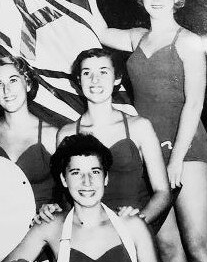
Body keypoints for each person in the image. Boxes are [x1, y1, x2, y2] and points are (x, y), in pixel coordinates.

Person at [91, 0, 207, 262]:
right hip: (150, 149)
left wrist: (176, 160)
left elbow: (194, 103)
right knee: (167, 245)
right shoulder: (135, 37)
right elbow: (97, 30)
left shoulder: (187, 42)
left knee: (198, 244)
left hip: (186, 148)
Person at [1, 133, 169, 262]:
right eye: (76, 173)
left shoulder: (131, 225)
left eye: (94, 172)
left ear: (106, 178)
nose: (86, 182)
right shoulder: (52, 225)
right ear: (64, 180)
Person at [37, 48, 172, 228]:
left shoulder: (139, 126)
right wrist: (52, 207)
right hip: (86, 233)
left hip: (132, 229)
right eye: (87, 73)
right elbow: (65, 195)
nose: (95, 80)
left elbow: (163, 192)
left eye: (103, 72)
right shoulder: (67, 133)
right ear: (78, 80)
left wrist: (138, 223)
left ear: (117, 79)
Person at [0, 56, 58, 211]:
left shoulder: (52, 136)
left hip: (40, 227)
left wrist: (55, 208)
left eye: (13, 80)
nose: (6, 90)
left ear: (28, 84)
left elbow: (70, 191)